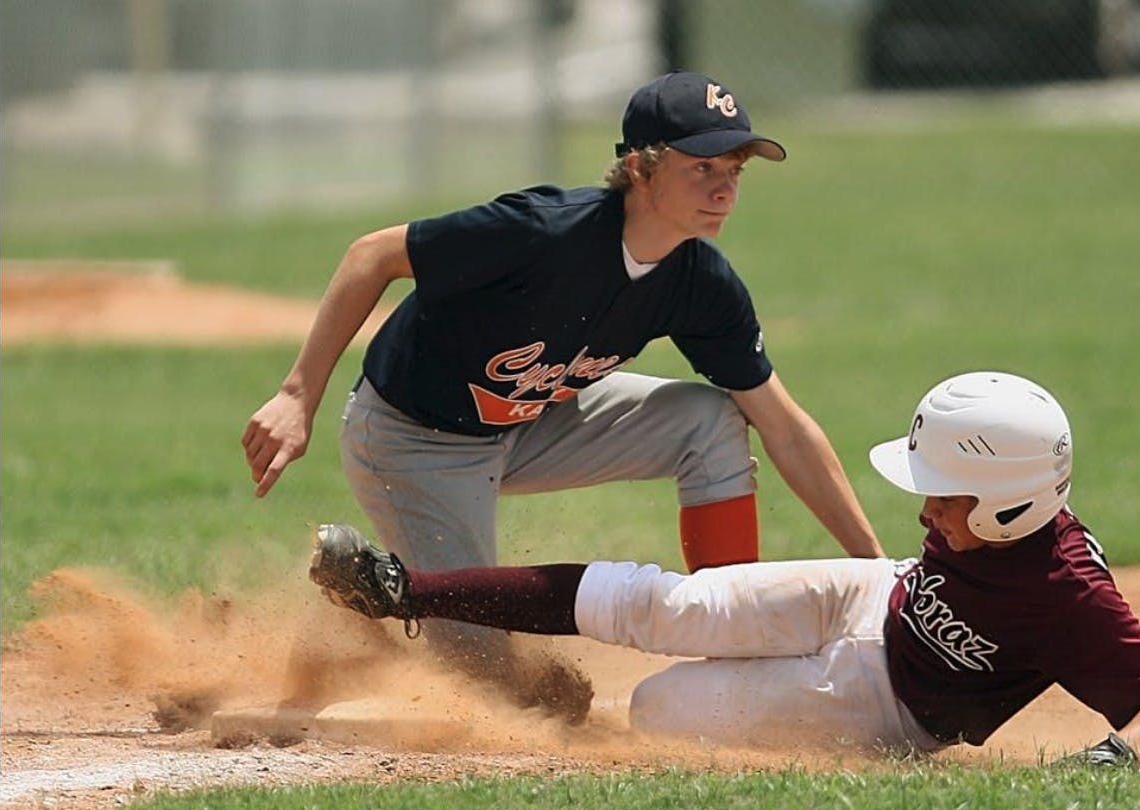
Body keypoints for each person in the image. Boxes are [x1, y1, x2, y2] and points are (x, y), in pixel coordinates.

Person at [241, 71, 884, 723]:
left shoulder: (700, 283)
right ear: (640, 168)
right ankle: (357, 621)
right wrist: (298, 394)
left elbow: (786, 427)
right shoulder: (542, 232)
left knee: (711, 418)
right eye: (702, 167)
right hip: (413, 441)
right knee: (491, 683)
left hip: (528, 422)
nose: (724, 188)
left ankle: (732, 640)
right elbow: (370, 255)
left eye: (735, 170)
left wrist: (878, 572)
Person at [307, 371, 1140, 764]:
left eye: (948, 496)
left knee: (662, 708)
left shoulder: (1070, 597)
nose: (927, 507)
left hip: (893, 708)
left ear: (1012, 503)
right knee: (666, 605)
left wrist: (1115, 759)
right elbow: (929, 543)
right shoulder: (984, 522)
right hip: (873, 593)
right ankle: (400, 590)